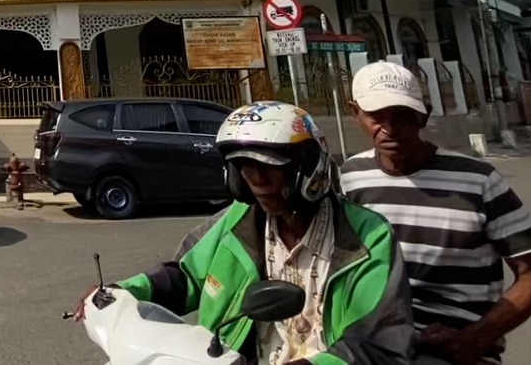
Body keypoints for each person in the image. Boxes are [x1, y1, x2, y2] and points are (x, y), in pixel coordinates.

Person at [76, 101, 414, 365]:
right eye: (245, 168)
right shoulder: (239, 221)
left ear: (308, 166)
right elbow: (186, 277)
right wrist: (120, 293)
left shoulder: (367, 238)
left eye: (269, 165)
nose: (257, 180)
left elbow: (377, 343)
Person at [341, 62, 531, 365]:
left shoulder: (479, 181)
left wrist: (476, 338)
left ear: (423, 115)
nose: (389, 128)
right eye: (376, 115)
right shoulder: (350, 178)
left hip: (456, 350)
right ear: (355, 113)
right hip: (371, 346)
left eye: (402, 115)